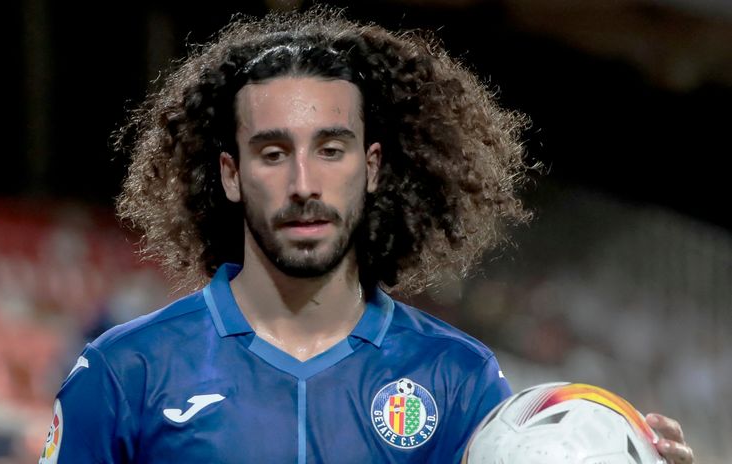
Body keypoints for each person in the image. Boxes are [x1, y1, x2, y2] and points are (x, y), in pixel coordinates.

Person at [38, 7, 693, 463]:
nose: (303, 181)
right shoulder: (124, 374)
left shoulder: (458, 381)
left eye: (331, 149)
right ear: (231, 176)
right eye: (272, 153)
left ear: (371, 168)